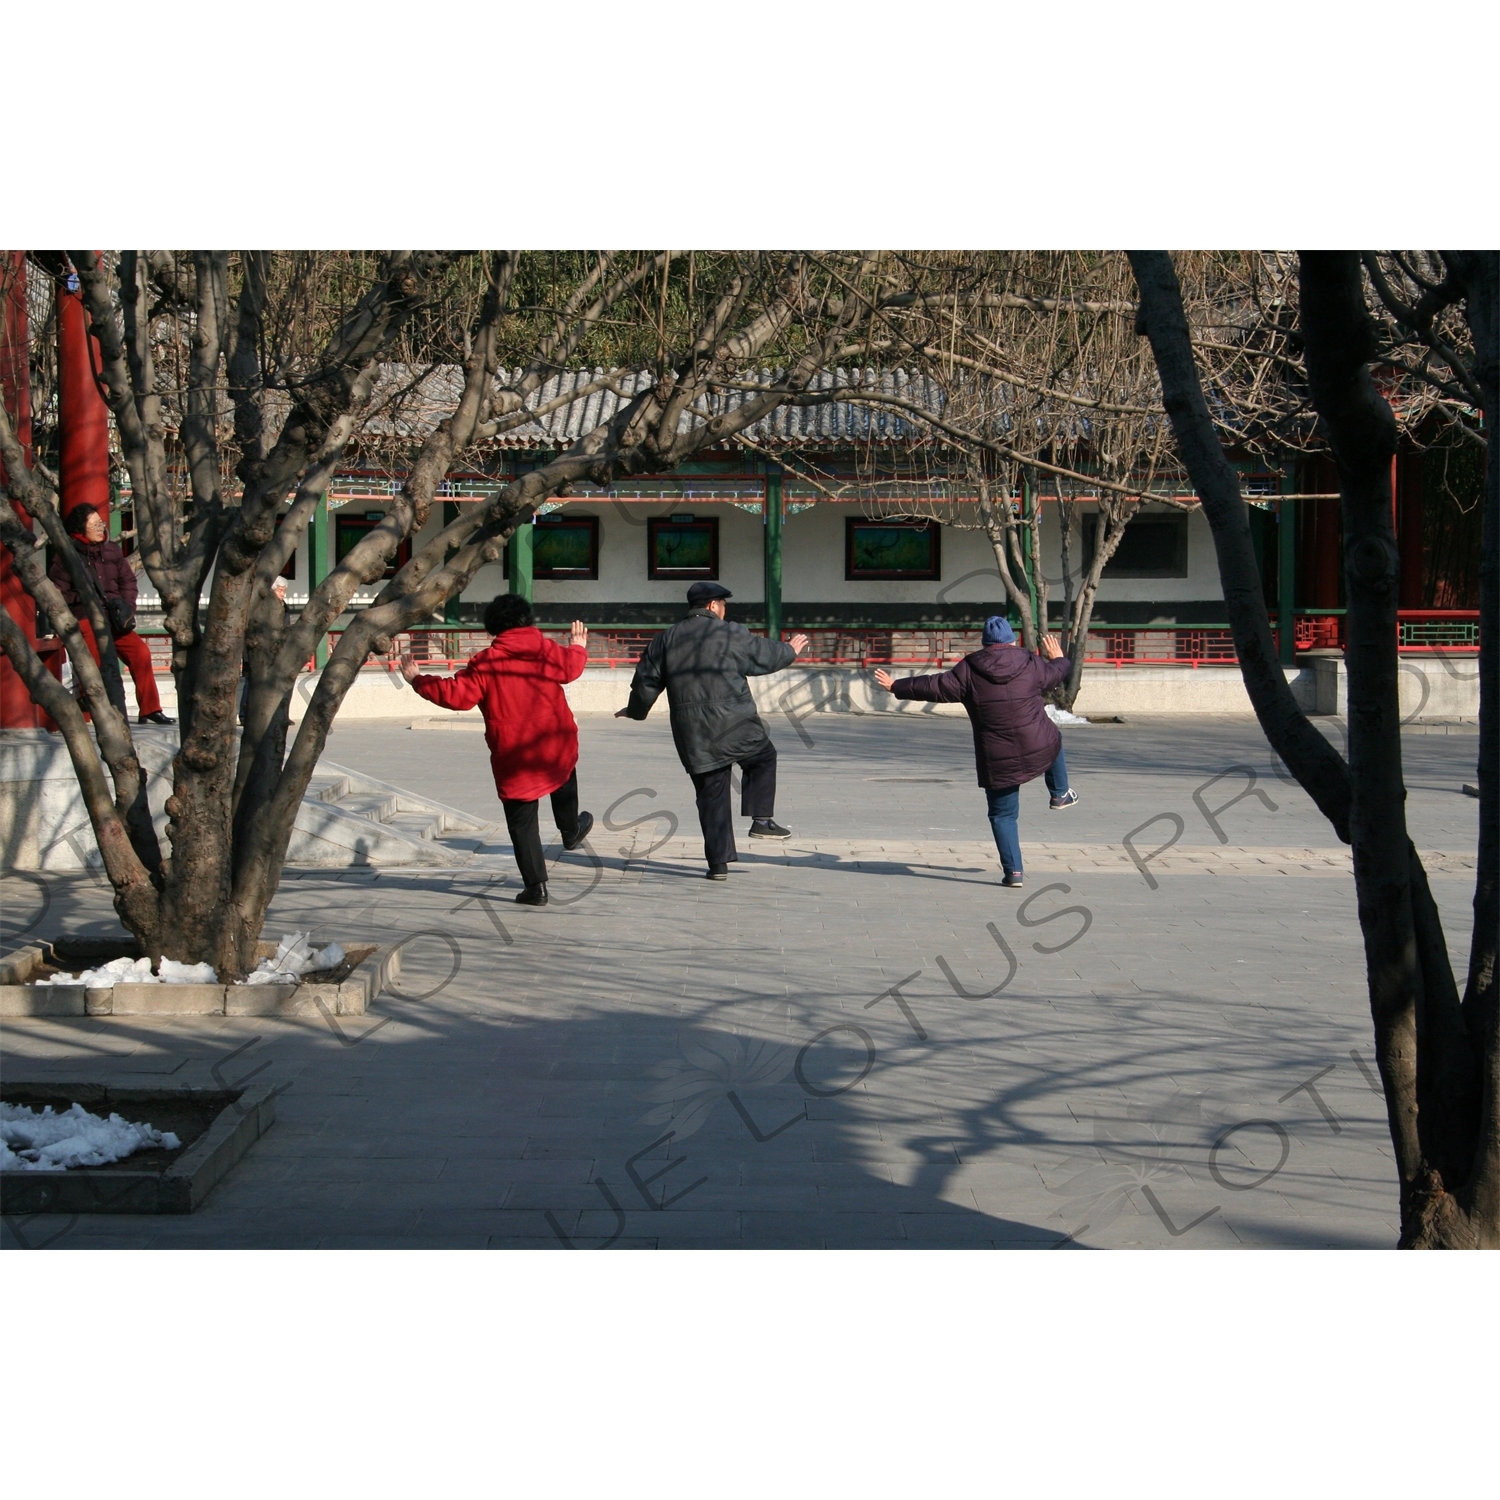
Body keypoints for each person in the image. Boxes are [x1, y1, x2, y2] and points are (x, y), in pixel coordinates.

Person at [399, 595, 594, 907]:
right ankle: (570, 830)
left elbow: (457, 696)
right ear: (528, 620)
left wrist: (418, 680)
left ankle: (536, 887)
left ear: (493, 628)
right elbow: (571, 668)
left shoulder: (486, 663)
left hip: (515, 753)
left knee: (522, 822)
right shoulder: (545, 650)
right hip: (554, 738)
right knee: (563, 773)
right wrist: (578, 645)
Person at [616, 581, 810, 880]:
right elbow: (764, 655)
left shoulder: (665, 639)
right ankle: (761, 820)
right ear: (712, 606)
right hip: (736, 724)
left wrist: (636, 711)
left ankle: (718, 865)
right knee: (763, 757)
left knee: (711, 793)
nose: (723, 610)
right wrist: (790, 650)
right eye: (723, 605)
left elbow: (646, 681)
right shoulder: (730, 633)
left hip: (693, 732)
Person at [874, 615, 1079, 889]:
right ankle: (1060, 794)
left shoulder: (968, 670)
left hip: (997, 756)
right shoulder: (1031, 663)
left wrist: (896, 686)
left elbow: (934, 686)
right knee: (1053, 737)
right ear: (1012, 641)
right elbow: (1056, 674)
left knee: (1003, 815)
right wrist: (1059, 658)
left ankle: (1014, 873)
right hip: (1037, 741)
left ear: (985, 644)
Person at [48, 503, 174, 725]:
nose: (101, 528)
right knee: (95, 660)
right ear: (80, 528)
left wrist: (127, 607)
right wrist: (82, 602)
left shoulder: (112, 550)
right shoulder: (66, 556)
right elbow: (59, 593)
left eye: (101, 524)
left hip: (114, 617)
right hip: (85, 617)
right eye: (95, 524)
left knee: (140, 653)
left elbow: (128, 581)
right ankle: (97, 707)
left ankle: (150, 709)